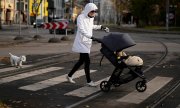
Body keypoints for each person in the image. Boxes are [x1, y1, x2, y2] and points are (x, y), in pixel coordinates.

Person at [67, 3, 109, 87]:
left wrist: (101, 27)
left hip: (87, 42)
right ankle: (89, 81)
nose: (94, 13)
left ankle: (69, 76)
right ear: (88, 10)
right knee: (87, 61)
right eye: (92, 11)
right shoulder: (80, 17)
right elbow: (81, 29)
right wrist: (91, 37)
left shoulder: (91, 18)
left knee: (81, 61)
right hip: (81, 42)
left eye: (94, 11)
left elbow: (91, 26)